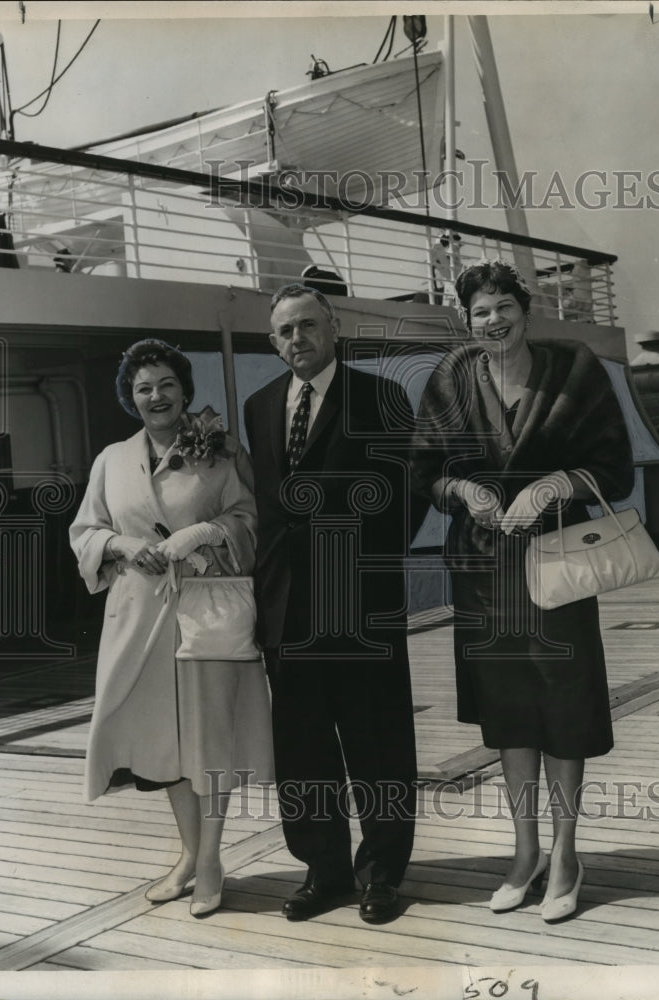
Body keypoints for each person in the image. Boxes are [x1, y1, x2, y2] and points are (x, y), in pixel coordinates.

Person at [410, 260, 634, 922]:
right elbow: (425, 467)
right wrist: (461, 490)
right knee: (508, 713)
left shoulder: (573, 368)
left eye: (502, 306)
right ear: (466, 320)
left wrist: (553, 486)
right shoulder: (452, 376)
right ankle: (524, 850)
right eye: (479, 312)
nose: (492, 321)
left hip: (558, 569)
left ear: (523, 308)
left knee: (563, 710)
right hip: (484, 575)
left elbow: (614, 468)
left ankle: (565, 853)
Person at [69, 338, 273, 917]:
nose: (155, 396)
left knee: (209, 740)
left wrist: (203, 535)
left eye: (165, 384)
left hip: (205, 616)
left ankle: (210, 860)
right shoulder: (110, 459)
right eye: (143, 388)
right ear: (129, 398)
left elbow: (252, 519)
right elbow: (84, 531)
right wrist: (121, 543)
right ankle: (188, 854)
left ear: (185, 390)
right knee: (163, 744)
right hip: (138, 620)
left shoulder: (221, 450)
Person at [244, 284, 419, 924]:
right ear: (273, 341)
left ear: (334, 327)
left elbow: (408, 497)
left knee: (377, 744)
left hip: (360, 605)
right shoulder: (260, 405)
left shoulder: (381, 397)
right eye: (286, 331)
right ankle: (325, 870)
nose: (298, 339)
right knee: (304, 748)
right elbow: (266, 511)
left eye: (309, 326)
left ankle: (381, 875)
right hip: (287, 610)